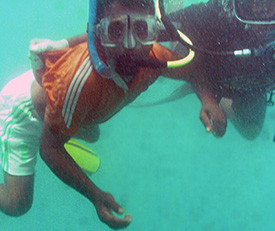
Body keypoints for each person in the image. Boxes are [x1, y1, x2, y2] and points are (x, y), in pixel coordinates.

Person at [0, 0, 194, 229]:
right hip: (22, 115)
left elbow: (191, 70)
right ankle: (57, 131)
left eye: (141, 29)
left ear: (154, 30)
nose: (130, 46)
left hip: (64, 107)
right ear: (100, 33)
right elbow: (48, 149)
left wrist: (208, 99)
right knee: (18, 204)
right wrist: (95, 195)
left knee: (93, 134)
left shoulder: (154, 56)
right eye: (116, 31)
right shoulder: (81, 81)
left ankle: (62, 129)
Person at [167, 0, 275, 139]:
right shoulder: (220, 14)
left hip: (252, 84)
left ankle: (213, 92)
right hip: (212, 65)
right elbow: (169, 25)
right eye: (256, 4)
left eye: (268, 5)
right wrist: (208, 98)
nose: (263, 18)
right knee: (179, 57)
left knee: (251, 131)